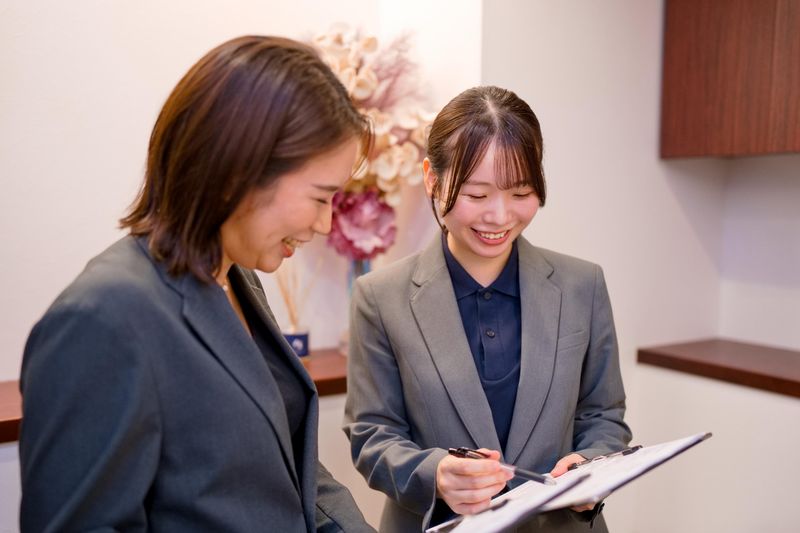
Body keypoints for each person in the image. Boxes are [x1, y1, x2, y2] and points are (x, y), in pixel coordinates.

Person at [19, 35, 375, 533]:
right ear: (237, 173)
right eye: (320, 198)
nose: (324, 224)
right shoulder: (102, 319)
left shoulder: (236, 278)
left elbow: (287, 471)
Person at [344, 86, 632, 532]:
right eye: (477, 195)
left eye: (521, 192)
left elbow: (602, 414)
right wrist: (436, 474)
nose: (499, 216)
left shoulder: (583, 285)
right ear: (432, 178)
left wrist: (589, 463)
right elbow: (372, 436)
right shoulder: (380, 297)